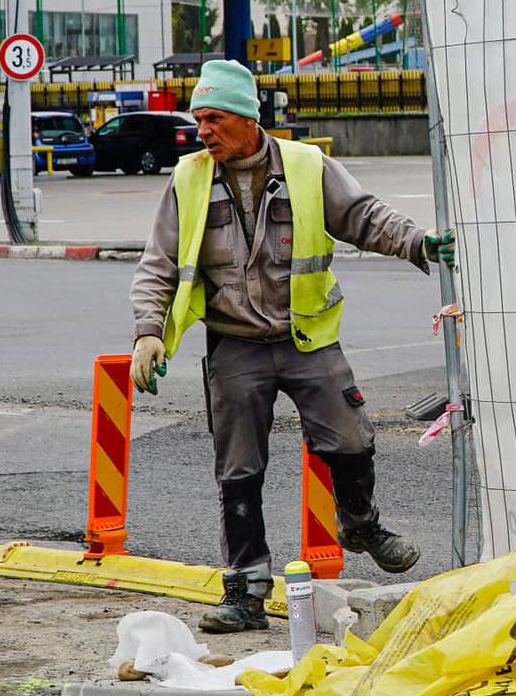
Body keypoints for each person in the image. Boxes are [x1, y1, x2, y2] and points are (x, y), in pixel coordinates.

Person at [128, 59, 453, 633]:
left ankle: (360, 524)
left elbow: (364, 217)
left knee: (351, 440)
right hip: (235, 346)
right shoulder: (189, 178)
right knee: (238, 471)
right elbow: (158, 264)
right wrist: (148, 332)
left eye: (214, 118)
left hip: (308, 339)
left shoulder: (306, 166)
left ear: (248, 118)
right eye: (198, 118)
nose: (203, 130)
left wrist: (420, 243)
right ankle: (245, 591)